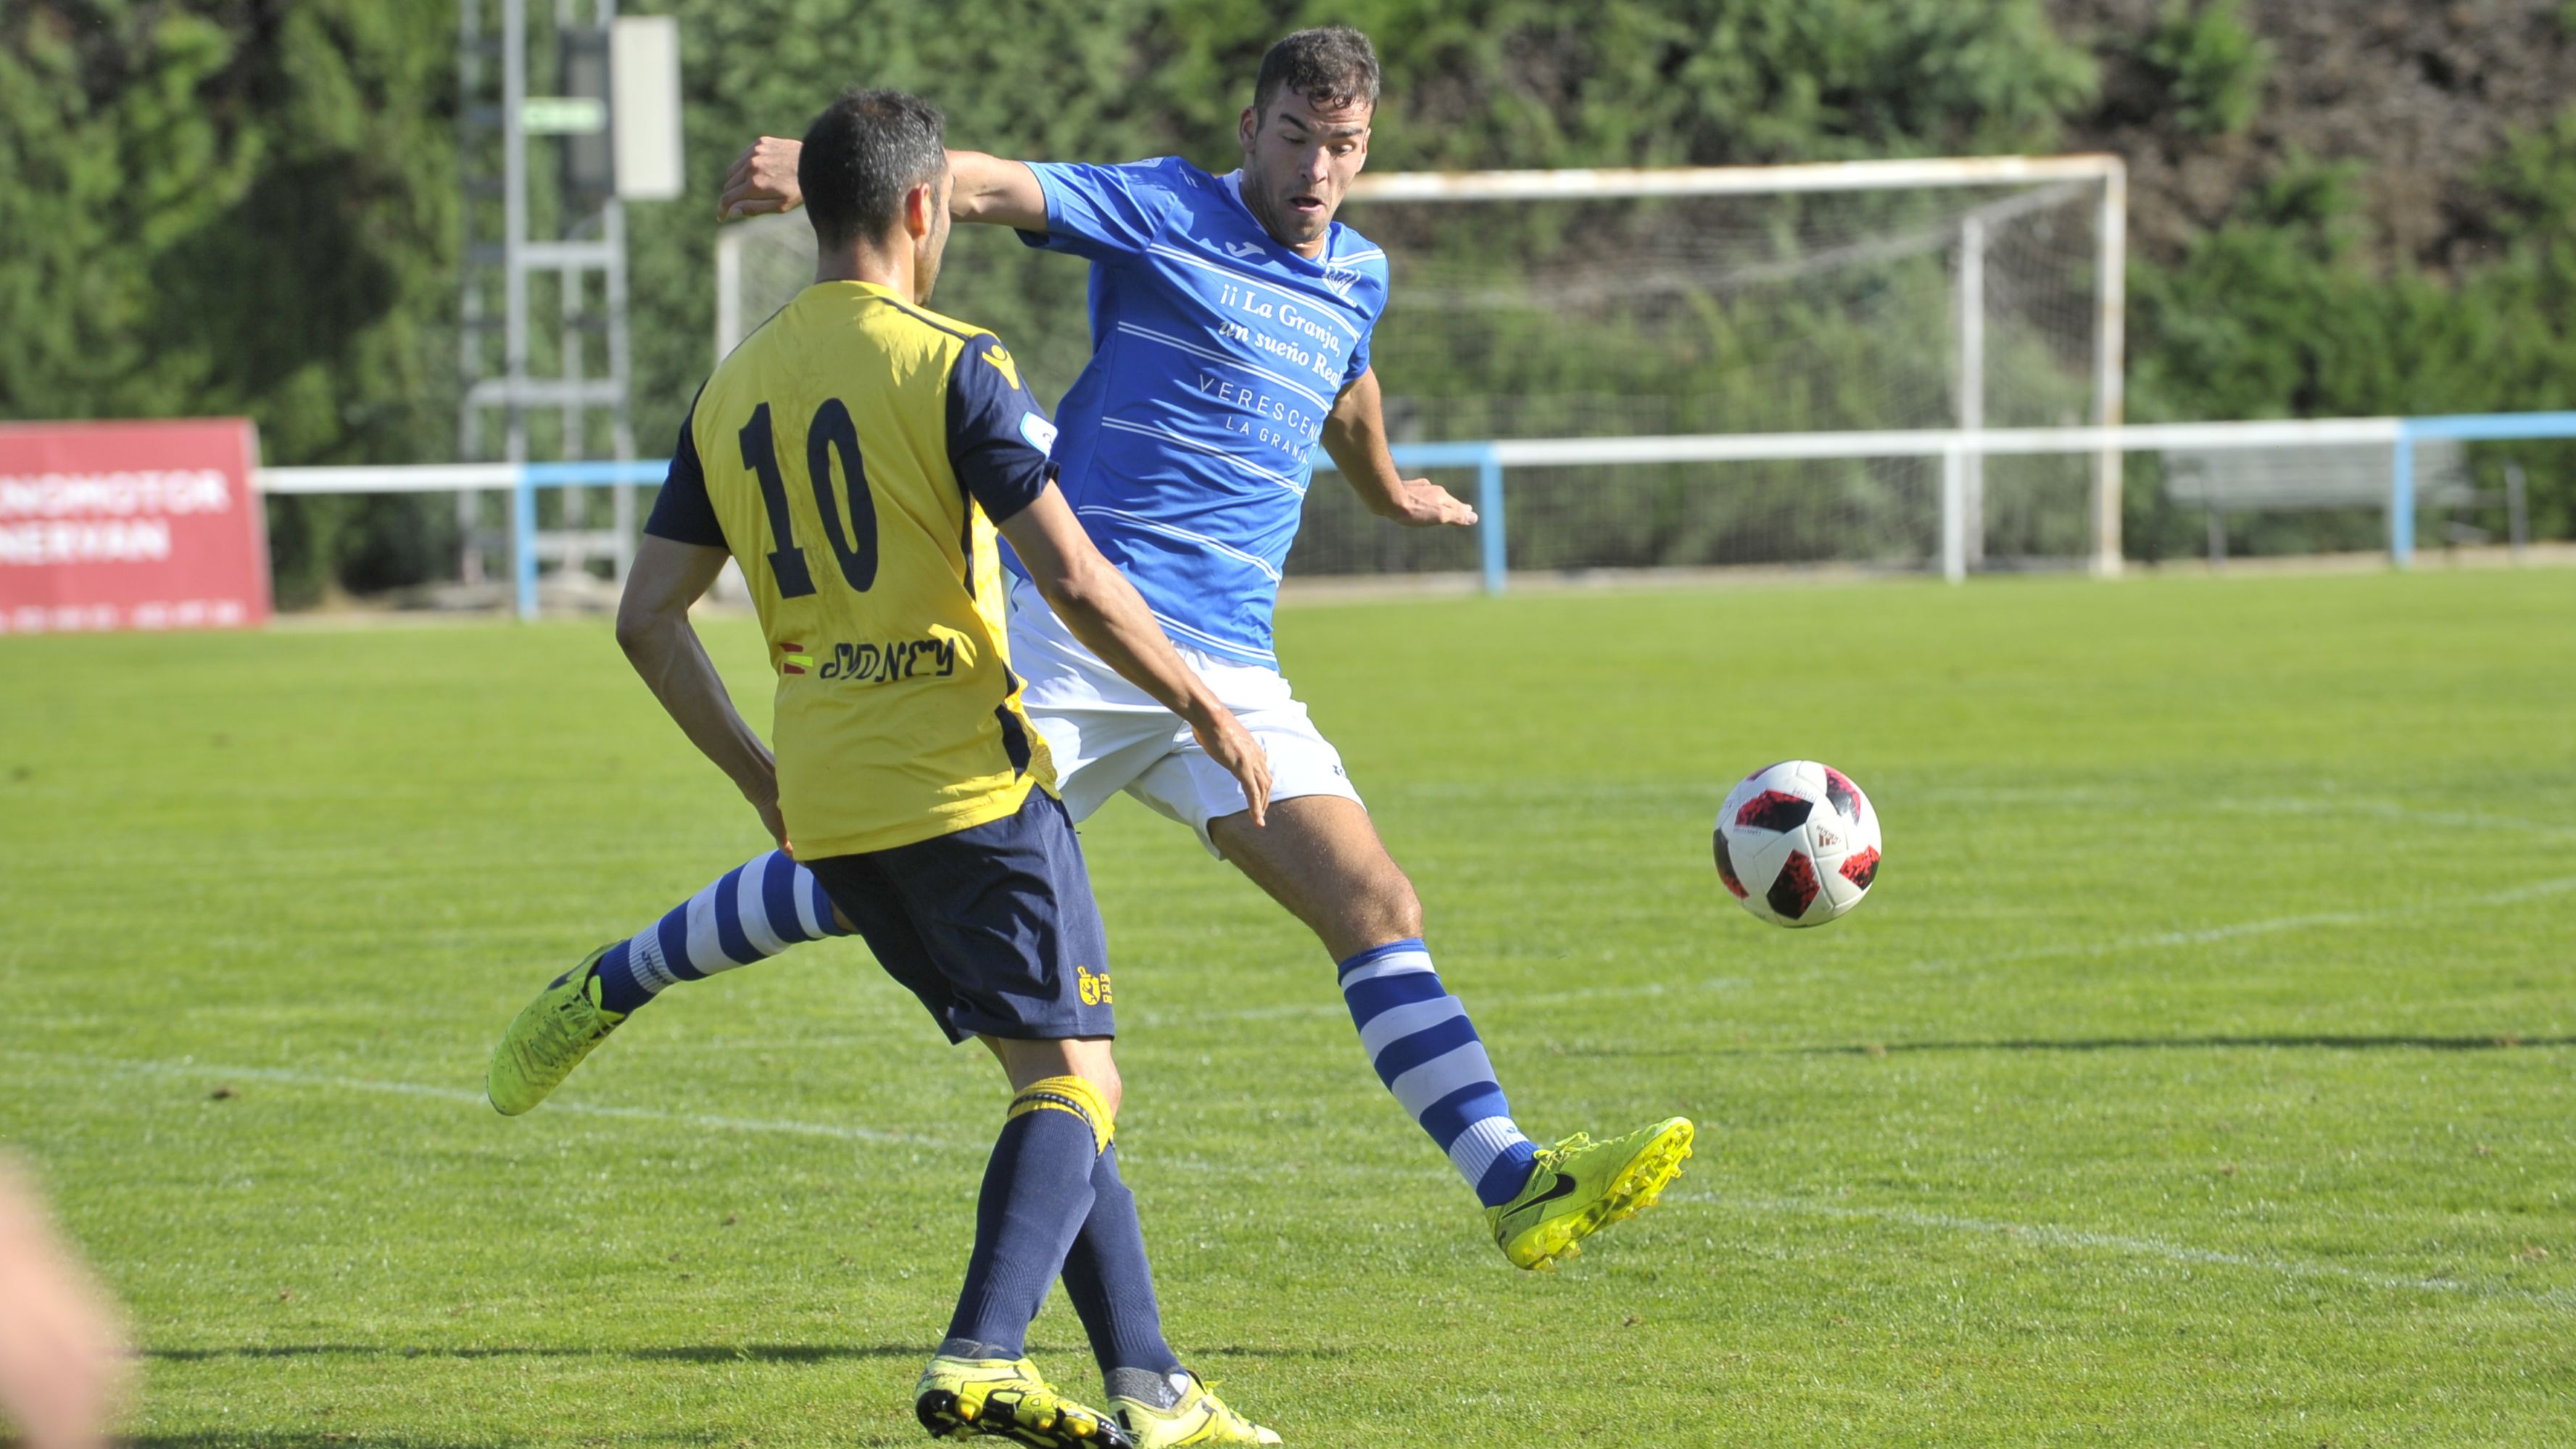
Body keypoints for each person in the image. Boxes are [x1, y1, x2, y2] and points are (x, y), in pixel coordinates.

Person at [514, 25, 1690, 1276]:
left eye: (1340, 146)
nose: (1315, 170)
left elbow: (1346, 385)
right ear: (1250, 132)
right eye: (1294, 138)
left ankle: (1511, 1181)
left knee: (1374, 904)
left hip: (1229, 666)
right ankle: (620, 979)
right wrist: (833, 170)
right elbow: (983, 184)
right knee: (858, 884)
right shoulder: (1161, 209)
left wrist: (1386, 485)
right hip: (1070, 638)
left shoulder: (1357, 273)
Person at [489, 88, 1278, 1448]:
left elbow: (644, 617)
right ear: (925, 209)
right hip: (966, 788)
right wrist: (1200, 698)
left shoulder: (731, 386)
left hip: (837, 808)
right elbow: (1077, 577)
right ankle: (984, 1352)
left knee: (1055, 1083)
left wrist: (755, 779)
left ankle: (1153, 1387)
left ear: (815, 208)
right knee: (1078, 1088)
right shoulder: (955, 363)